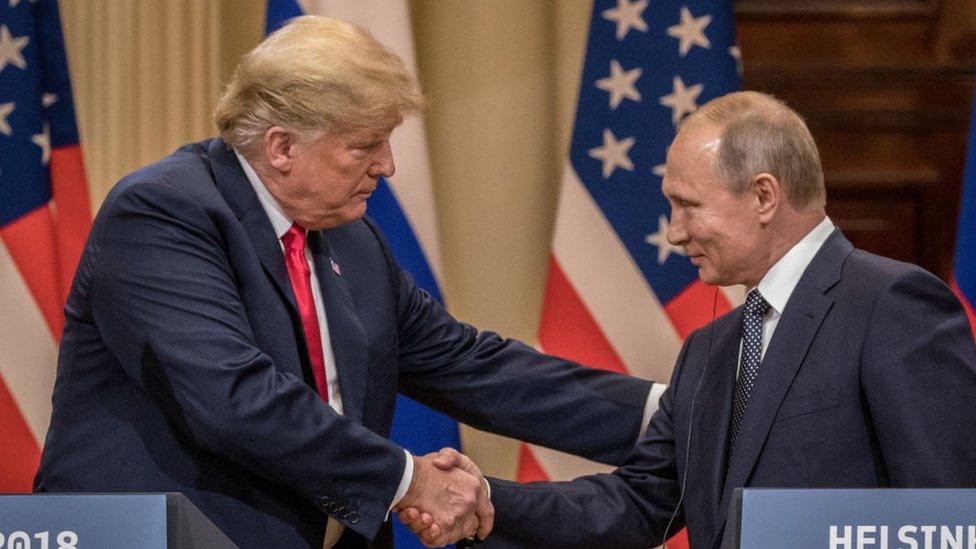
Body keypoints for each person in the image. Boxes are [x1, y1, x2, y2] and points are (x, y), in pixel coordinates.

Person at [32, 16, 660, 549]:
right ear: (281, 147)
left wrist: (670, 411)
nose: (386, 166)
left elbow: (470, 364)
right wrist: (410, 479)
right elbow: (234, 397)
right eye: (366, 145)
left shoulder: (349, 239)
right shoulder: (164, 212)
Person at [402, 90, 976, 548]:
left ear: (764, 196)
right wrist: (483, 501)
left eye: (689, 206)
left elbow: (950, 516)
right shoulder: (713, 348)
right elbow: (637, 504)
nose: (675, 232)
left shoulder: (892, 305)